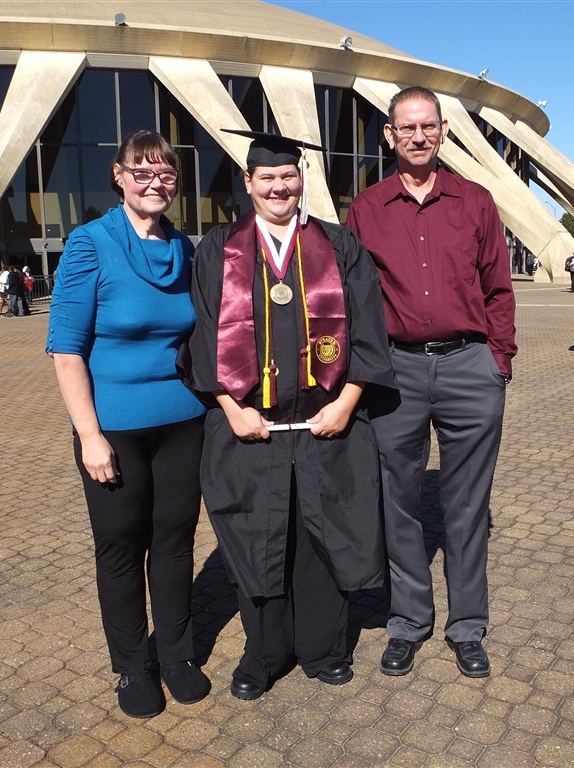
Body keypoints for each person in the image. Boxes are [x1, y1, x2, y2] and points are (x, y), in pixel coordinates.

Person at [186, 130, 395, 701]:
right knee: (256, 536)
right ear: (248, 183)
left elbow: (369, 331)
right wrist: (230, 409)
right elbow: (203, 334)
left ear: (301, 179)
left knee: (323, 535)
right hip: (249, 429)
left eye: (288, 176)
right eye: (267, 177)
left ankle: (324, 648)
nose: (279, 187)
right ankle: (265, 653)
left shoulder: (338, 244)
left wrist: (346, 404)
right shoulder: (219, 248)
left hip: (327, 424)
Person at [347, 86, 516, 680]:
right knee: (398, 503)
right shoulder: (367, 208)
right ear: (389, 135)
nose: (418, 136)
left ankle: (467, 626)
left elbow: (498, 287)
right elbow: (353, 298)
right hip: (396, 371)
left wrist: (498, 361)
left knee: (467, 506)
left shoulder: (475, 201)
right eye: (407, 127)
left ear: (443, 130)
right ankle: (409, 622)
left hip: (470, 367)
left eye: (428, 126)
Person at [46, 130, 208, 719]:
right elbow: (66, 349)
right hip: (113, 428)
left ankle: (177, 655)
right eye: (142, 172)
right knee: (120, 547)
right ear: (119, 176)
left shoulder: (185, 247)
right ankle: (132, 666)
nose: (155, 183)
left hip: (183, 423)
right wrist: (89, 435)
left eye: (165, 174)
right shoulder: (90, 243)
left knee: (174, 543)